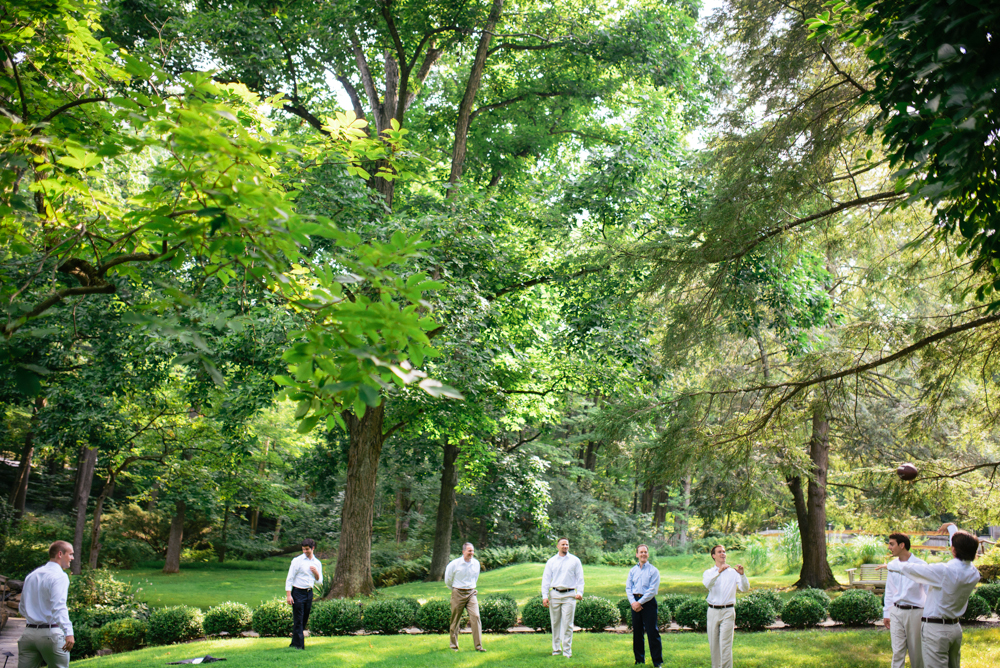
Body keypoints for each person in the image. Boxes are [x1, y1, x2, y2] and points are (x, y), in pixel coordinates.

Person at [881, 523, 980, 668]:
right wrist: (952, 528)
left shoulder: (944, 571)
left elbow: (914, 569)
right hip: (955, 629)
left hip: (936, 630)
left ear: (953, 550)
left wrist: (890, 565)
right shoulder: (973, 573)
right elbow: (963, 547)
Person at [18, 540, 75, 668]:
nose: (72, 558)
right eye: (70, 554)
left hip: (28, 634)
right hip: (50, 635)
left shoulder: (32, 575)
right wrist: (69, 632)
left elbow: (22, 608)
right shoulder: (60, 576)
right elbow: (59, 607)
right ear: (60, 554)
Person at [883, 532, 927, 668]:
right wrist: (887, 613)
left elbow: (928, 591)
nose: (889, 547)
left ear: (902, 545)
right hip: (896, 612)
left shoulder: (921, 565)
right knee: (897, 652)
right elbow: (889, 591)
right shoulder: (892, 565)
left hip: (915, 613)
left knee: (916, 653)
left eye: (892, 544)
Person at [702, 544, 748, 668]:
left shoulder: (733, 573)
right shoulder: (709, 573)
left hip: (728, 611)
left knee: (726, 645)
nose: (723, 554)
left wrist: (742, 575)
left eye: (724, 551)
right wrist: (718, 572)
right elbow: (707, 584)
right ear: (713, 556)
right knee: (714, 645)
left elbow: (744, 588)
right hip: (712, 611)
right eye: (719, 552)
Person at [541, 537, 584, 658]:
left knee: (568, 624)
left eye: (567, 544)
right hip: (554, 594)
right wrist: (545, 596)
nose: (565, 546)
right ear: (558, 546)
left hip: (569, 595)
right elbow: (546, 579)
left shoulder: (575, 561)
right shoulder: (551, 561)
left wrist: (580, 592)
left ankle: (567, 651)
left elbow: (580, 578)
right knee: (555, 623)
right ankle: (556, 649)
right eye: (563, 544)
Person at [625, 544, 662, 667]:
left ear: (648, 554)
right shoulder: (632, 570)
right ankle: (639, 660)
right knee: (637, 632)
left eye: (645, 552)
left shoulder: (653, 570)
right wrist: (633, 603)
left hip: (648, 602)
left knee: (653, 632)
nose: (643, 554)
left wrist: (639, 603)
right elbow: (628, 588)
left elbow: (653, 590)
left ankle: (657, 662)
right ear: (637, 554)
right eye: (641, 552)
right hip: (635, 601)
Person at [444, 542, 484, 652]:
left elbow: (475, 577)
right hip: (458, 592)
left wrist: (470, 587)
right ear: (463, 552)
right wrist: (455, 590)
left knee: (476, 616)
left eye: (472, 551)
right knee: (455, 619)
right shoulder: (454, 564)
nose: (471, 553)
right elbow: (448, 579)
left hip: (471, 593)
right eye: (469, 551)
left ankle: (479, 646)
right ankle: (453, 646)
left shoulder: (476, 564)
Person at [285, 538, 322, 649]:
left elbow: (319, 582)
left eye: (307, 549)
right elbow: (290, 578)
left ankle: (293, 643)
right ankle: (300, 646)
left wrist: (316, 573)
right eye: (303, 549)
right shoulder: (297, 561)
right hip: (297, 592)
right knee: (298, 619)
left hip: (309, 593)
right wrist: (288, 595)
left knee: (304, 619)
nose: (305, 551)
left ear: (313, 548)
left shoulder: (317, 563)